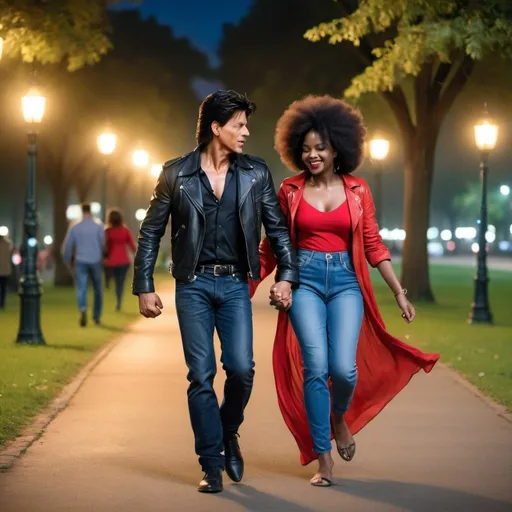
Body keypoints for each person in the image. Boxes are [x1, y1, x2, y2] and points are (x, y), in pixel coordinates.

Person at [251, 95, 440, 487]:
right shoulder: (289, 190)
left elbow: (373, 245)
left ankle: (339, 417)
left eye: (320, 147)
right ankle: (324, 460)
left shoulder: (357, 190)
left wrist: (399, 291)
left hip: (345, 283)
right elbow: (273, 247)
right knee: (315, 369)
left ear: (338, 147)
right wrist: (248, 281)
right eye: (305, 149)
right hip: (304, 282)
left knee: (344, 369)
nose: (312, 155)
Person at [133, 90, 298, 493]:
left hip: (236, 283)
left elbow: (277, 231)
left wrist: (286, 276)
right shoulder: (175, 174)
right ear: (216, 127)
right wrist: (145, 286)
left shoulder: (256, 173)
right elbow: (151, 232)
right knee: (201, 375)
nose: (245, 132)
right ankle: (210, 464)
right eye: (239, 124)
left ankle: (228, 431)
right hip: (192, 286)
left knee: (242, 369)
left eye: (246, 124)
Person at [62, 202, 105, 327]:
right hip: (95, 259)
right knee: (98, 289)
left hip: (80, 260)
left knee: (81, 287)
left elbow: (68, 245)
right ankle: (96, 316)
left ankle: (82, 308)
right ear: (90, 211)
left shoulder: (75, 226)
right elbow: (102, 243)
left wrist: (67, 260)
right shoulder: (98, 225)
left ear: (81, 211)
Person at [104, 208, 136, 311]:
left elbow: (105, 246)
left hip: (111, 261)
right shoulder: (125, 230)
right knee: (120, 282)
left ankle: (107, 282)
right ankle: (119, 301)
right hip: (124, 261)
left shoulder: (108, 231)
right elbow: (132, 246)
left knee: (111, 276)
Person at [0, 233, 13, 310]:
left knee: (3, 288)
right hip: (5, 270)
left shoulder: (8, 244)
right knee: (3, 288)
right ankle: (2, 303)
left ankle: (2, 303)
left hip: (4, 270)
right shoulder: (8, 244)